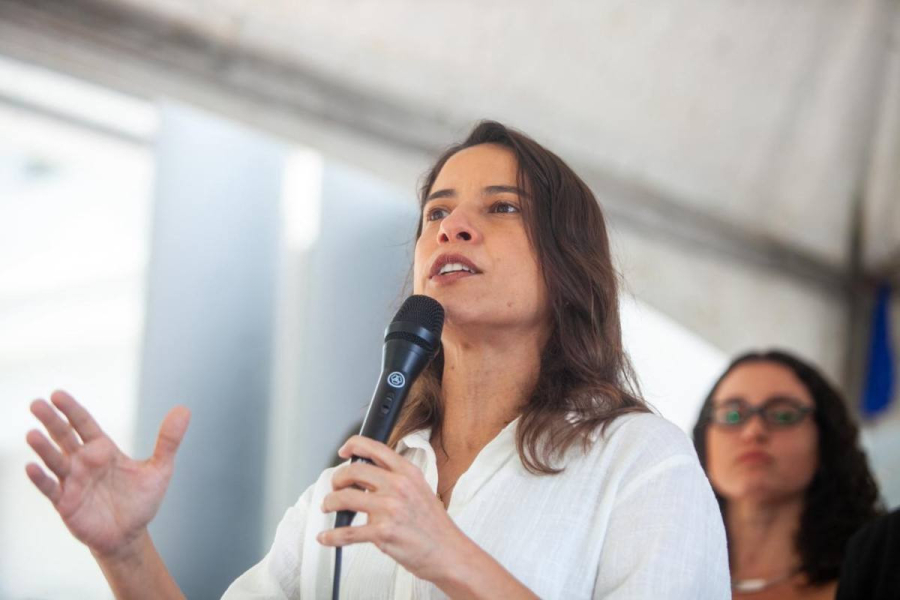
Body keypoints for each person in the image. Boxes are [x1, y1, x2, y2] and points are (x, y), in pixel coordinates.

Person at [26, 121, 729, 598]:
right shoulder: (363, 475)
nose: (453, 226)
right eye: (436, 213)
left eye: (501, 209)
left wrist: (449, 557)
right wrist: (125, 549)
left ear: (568, 264)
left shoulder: (640, 462)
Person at [692, 350, 883, 600]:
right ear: (703, 440)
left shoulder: (876, 577)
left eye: (783, 414)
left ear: (826, 439)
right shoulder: (663, 573)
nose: (753, 431)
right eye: (732, 414)